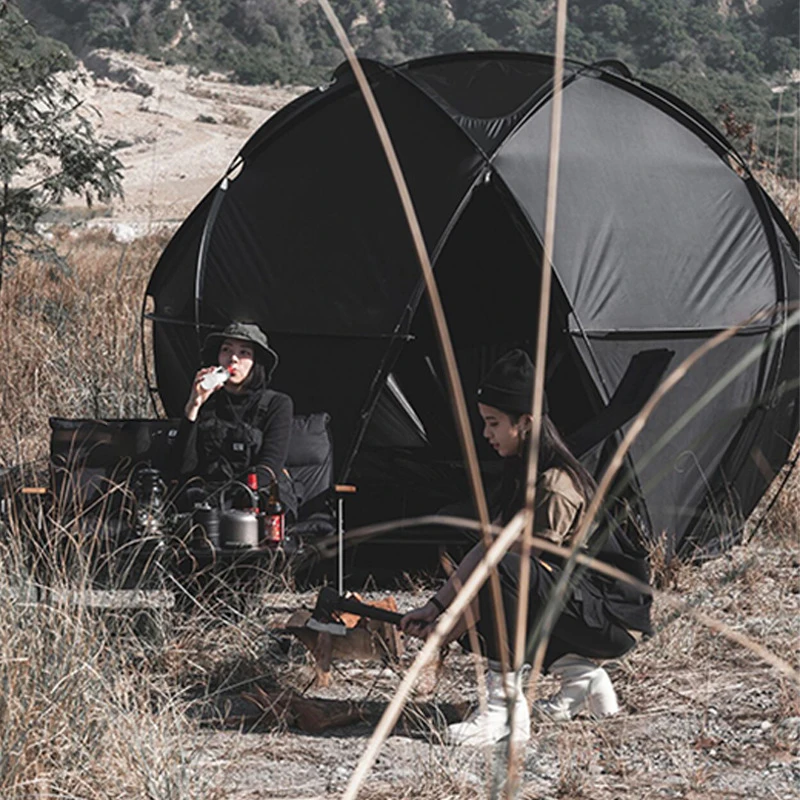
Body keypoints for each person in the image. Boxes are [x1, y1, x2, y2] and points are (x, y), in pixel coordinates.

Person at [400, 349, 652, 747]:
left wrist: (449, 628)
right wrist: (436, 607)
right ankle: (584, 681)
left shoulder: (555, 484)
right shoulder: (523, 472)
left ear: (526, 422)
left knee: (502, 580)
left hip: (612, 621)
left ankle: (502, 713)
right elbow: (487, 549)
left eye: (494, 423)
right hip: (581, 608)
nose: (486, 434)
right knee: (489, 580)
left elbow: (510, 578)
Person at [171, 321, 297, 518]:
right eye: (226, 350)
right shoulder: (207, 402)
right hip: (208, 499)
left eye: (244, 352)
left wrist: (231, 501)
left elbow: (269, 467)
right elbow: (182, 467)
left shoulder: (276, 404)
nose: (233, 359)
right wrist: (193, 407)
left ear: (256, 362)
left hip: (256, 500)